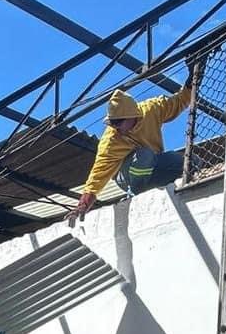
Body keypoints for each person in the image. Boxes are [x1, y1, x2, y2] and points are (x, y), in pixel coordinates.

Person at [68, 62, 196, 226]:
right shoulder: (111, 141)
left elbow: (179, 102)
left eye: (118, 122)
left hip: (153, 167)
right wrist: (82, 206)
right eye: (112, 123)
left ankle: (189, 186)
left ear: (132, 116)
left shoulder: (152, 109)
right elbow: (97, 177)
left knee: (191, 162)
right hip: (128, 177)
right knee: (145, 155)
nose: (115, 127)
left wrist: (191, 78)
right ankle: (137, 194)